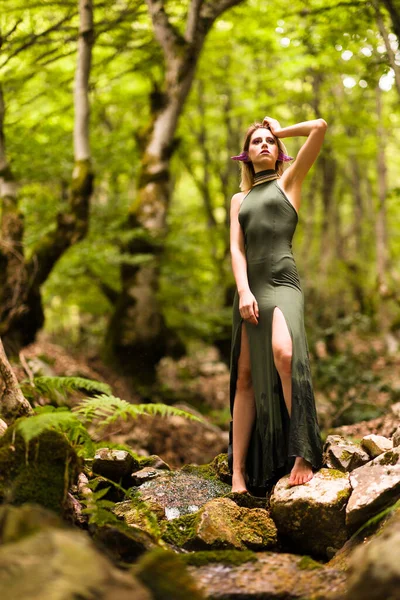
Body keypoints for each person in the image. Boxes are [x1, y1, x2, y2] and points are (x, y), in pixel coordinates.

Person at [227, 116, 327, 494]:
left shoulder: (289, 182)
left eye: (270, 142)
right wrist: (242, 291)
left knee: (285, 354)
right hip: (250, 288)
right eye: (256, 142)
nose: (264, 145)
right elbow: (236, 248)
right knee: (246, 378)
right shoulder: (240, 199)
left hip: (284, 282)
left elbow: (319, 127)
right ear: (247, 156)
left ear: (279, 152)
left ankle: (302, 451)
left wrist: (279, 130)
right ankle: (238, 473)